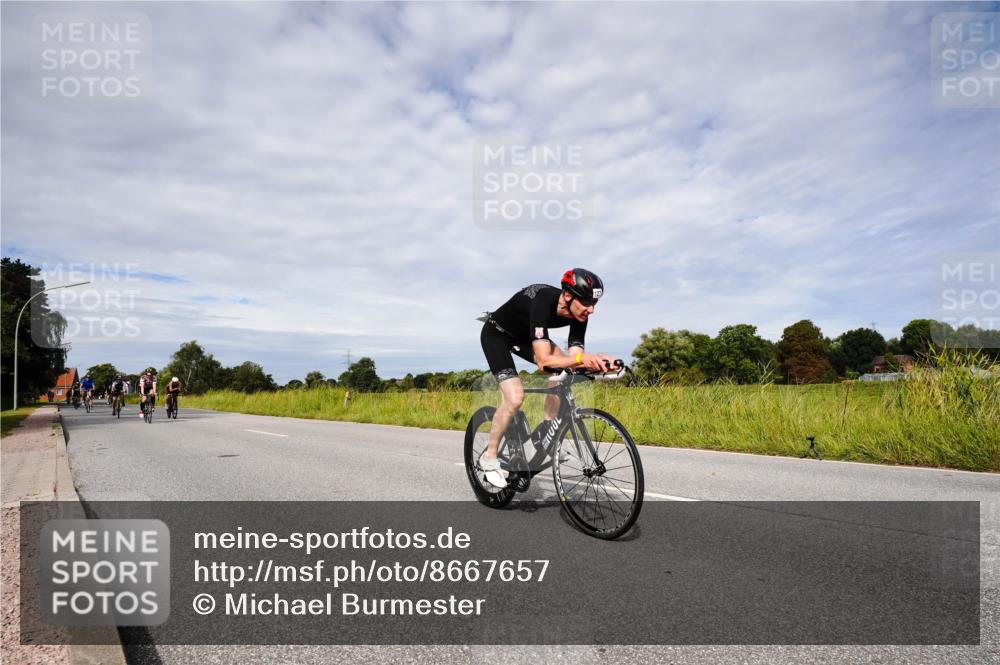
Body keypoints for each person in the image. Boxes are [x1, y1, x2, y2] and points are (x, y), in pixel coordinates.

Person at [477, 268, 617, 487]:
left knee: (563, 373)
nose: (591, 310)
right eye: (587, 302)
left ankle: (545, 435)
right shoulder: (543, 302)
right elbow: (544, 362)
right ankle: (490, 458)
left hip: (524, 336)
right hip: (496, 335)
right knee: (514, 398)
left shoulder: (580, 313)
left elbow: (573, 357)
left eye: (595, 304)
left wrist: (601, 364)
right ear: (568, 296)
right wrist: (582, 359)